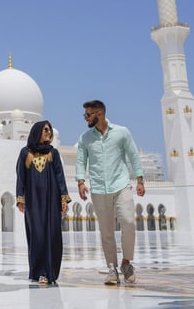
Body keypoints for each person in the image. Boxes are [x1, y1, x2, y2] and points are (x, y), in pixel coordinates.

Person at [75, 100, 145, 285]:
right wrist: (81, 182)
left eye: (87, 115)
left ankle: (126, 262)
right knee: (106, 231)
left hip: (121, 185)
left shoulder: (122, 132)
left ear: (99, 114)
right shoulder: (85, 138)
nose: (85, 118)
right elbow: (81, 161)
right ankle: (112, 269)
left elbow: (133, 155)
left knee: (129, 223)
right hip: (98, 189)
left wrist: (140, 179)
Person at [16, 120, 71, 285]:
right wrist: (20, 198)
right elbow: (21, 177)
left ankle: (51, 271)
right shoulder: (25, 153)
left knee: (53, 235)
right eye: (46, 130)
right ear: (37, 131)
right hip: (34, 202)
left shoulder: (52, 153)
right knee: (37, 235)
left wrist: (64, 198)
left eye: (50, 131)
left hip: (52, 201)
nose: (49, 133)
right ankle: (40, 271)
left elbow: (60, 176)